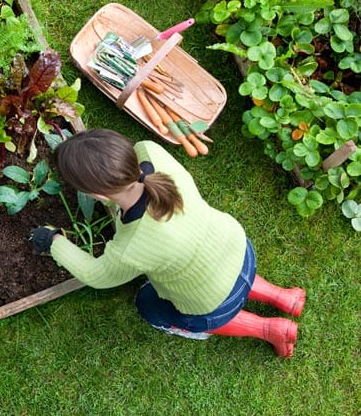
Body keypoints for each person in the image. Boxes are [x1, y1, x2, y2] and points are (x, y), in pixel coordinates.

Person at [30, 129, 306, 357]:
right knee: (220, 271)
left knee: (148, 305)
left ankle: (270, 329)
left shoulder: (131, 247)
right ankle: (284, 297)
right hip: (238, 249)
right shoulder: (151, 153)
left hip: (212, 301)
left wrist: (53, 241)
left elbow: (96, 275)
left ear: (98, 195)